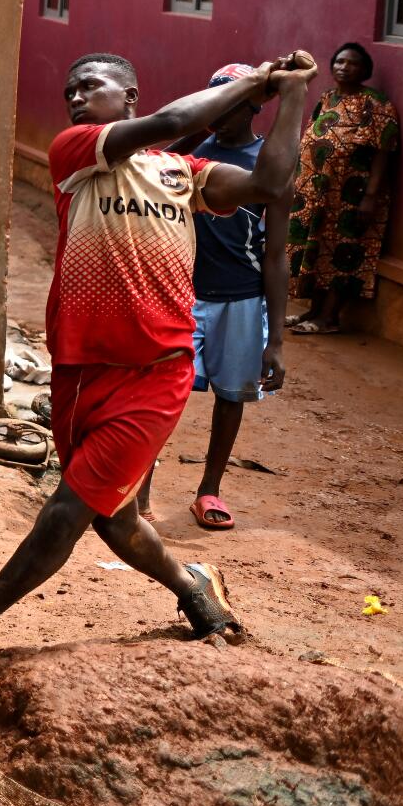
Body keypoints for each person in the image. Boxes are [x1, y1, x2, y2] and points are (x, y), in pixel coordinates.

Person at [0, 49, 317, 662]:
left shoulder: (185, 172)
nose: (76, 99)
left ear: (129, 92)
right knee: (113, 519)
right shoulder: (76, 154)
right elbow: (167, 122)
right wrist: (260, 83)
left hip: (156, 372)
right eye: (69, 92)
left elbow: (270, 184)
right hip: (81, 373)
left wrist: (292, 93)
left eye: (91, 86)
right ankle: (194, 586)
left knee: (67, 509)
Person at [133, 63, 289, 531]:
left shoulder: (269, 163)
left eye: (234, 102)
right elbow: (149, 154)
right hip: (181, 294)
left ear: (255, 107)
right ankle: (137, 488)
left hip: (240, 298)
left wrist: (275, 340)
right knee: (162, 393)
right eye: (215, 101)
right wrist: (197, 122)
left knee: (231, 396)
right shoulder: (190, 154)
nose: (222, 112)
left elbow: (277, 254)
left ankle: (209, 489)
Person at [287, 42, 398, 335]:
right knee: (315, 248)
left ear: (365, 71)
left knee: (340, 253)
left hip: (349, 196)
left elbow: (383, 151)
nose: (344, 67)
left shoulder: (375, 104)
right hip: (313, 193)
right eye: (339, 61)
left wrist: (370, 197)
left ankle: (329, 317)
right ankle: (313, 310)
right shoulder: (327, 98)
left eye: (352, 63)